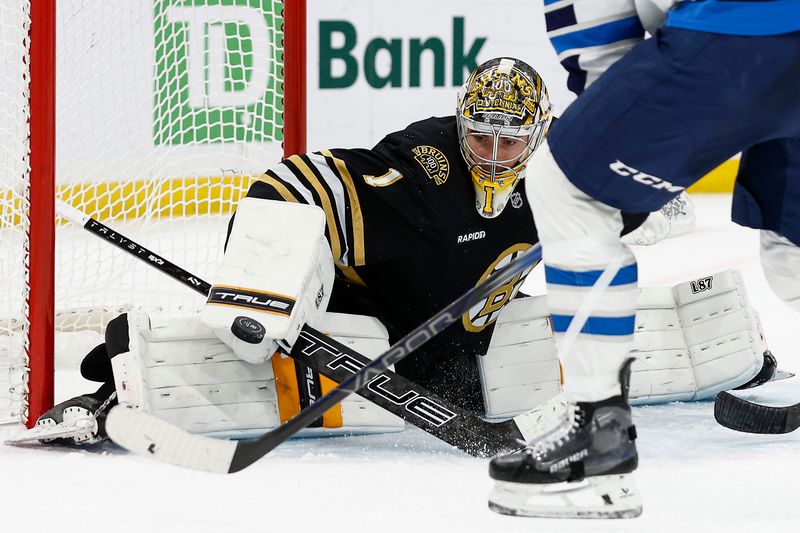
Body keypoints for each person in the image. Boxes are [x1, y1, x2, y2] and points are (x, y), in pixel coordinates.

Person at [24, 57, 777, 449]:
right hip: (352, 324)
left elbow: (639, 186)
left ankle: (740, 356)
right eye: (478, 133)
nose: (489, 152)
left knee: (532, 349)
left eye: (509, 139)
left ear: (539, 132)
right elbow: (297, 180)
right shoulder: (424, 164)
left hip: (454, 350)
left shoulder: (564, 173)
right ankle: (107, 395)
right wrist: (263, 289)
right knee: (245, 347)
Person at [487, 0, 800, 521]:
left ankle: (595, 442)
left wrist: (613, 192)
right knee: (792, 248)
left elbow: (604, 46)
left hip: (744, 30)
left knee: (567, 189)